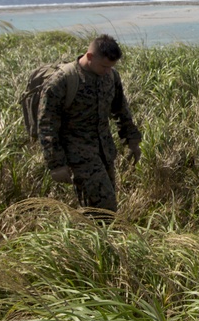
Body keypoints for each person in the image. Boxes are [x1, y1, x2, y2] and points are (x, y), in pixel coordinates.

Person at [38, 34, 142, 213]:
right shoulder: (62, 81)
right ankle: (96, 238)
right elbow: (47, 124)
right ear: (90, 56)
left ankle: (93, 238)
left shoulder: (111, 76)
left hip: (105, 152)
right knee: (104, 208)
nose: (108, 71)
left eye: (111, 67)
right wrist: (56, 164)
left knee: (101, 207)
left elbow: (121, 110)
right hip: (78, 155)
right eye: (104, 66)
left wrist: (132, 141)